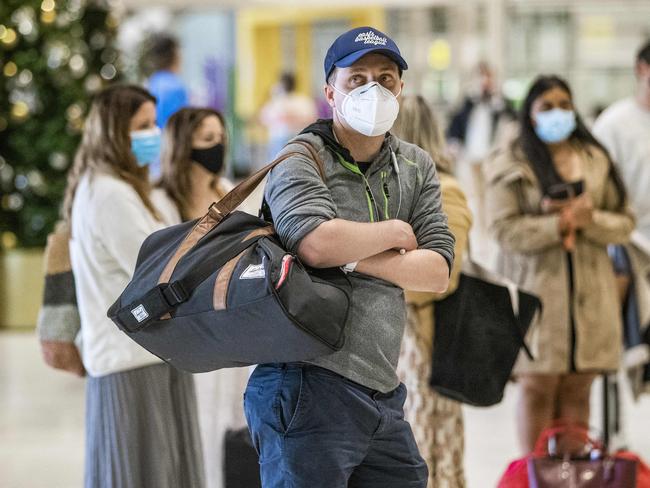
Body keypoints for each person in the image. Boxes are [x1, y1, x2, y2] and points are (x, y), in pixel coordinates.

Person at [244, 26, 455, 488]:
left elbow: (437, 271)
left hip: (381, 390)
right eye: (356, 79)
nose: (373, 89)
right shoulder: (299, 158)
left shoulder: (415, 165)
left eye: (385, 77)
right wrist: (395, 234)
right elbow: (314, 242)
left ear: (402, 88)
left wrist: (353, 255)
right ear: (330, 92)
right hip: (304, 384)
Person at [484, 75, 635, 454]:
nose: (558, 114)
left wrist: (591, 220)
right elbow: (502, 229)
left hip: (590, 296)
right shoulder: (513, 162)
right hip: (537, 295)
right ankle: (536, 476)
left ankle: (573, 476)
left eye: (564, 105)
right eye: (547, 107)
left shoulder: (595, 159)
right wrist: (557, 224)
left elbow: (625, 222)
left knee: (578, 388)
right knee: (538, 388)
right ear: (530, 115)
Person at [63, 85, 204, 488]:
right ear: (113, 133)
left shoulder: (124, 188)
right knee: (139, 472)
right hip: (130, 361)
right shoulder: (109, 194)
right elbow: (156, 272)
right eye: (142, 126)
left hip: (149, 355)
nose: (152, 135)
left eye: (153, 124)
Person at [158, 107, 257, 488]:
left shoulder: (229, 193)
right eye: (206, 140)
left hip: (231, 331)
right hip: (187, 335)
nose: (216, 148)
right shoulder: (163, 203)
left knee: (232, 432)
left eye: (220, 139)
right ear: (183, 146)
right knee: (193, 431)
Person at [392, 95, 472, 488]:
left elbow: (445, 275)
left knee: (426, 453)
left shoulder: (445, 189)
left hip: (425, 343)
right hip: (391, 340)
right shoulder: (387, 186)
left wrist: (368, 269)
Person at [447, 62, 515, 267]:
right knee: (475, 197)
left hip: (491, 157)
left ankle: (491, 235)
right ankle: (480, 238)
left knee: (491, 196)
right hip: (471, 157)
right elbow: (456, 125)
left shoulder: (500, 102)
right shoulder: (469, 101)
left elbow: (512, 117)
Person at [259, 72, 318, 160]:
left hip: (298, 139)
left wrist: (289, 119)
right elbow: (264, 118)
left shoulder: (302, 100)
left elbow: (312, 119)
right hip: (279, 140)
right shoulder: (277, 100)